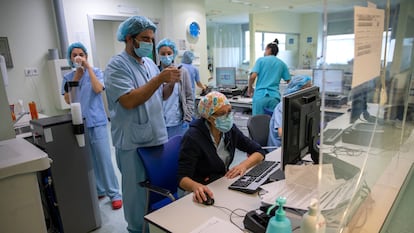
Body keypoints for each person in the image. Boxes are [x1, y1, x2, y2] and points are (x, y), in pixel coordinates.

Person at [103, 16, 181, 233]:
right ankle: (136, 230)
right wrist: (159, 79)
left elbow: (160, 95)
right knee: (137, 196)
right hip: (132, 142)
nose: (149, 43)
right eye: (144, 38)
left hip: (155, 136)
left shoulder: (147, 63)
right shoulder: (117, 65)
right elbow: (128, 100)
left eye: (151, 39)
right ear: (129, 38)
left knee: (155, 190)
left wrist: (171, 83)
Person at [61, 42, 122, 210]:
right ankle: (99, 189)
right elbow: (68, 100)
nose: (78, 57)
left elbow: (98, 89)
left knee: (103, 158)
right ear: (70, 59)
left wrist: (87, 69)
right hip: (80, 122)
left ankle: (115, 193)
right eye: (74, 55)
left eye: (81, 54)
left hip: (98, 122)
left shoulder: (96, 72)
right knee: (89, 160)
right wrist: (76, 78)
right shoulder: (67, 78)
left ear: (87, 56)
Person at [177, 91, 266, 204]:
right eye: (222, 114)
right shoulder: (193, 137)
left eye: (229, 111)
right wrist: (196, 187)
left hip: (220, 182)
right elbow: (182, 178)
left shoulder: (229, 130)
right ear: (209, 118)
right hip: (199, 191)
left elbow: (258, 151)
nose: (228, 117)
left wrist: (243, 165)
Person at [156, 38, 194, 138]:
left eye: (169, 53)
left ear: (174, 53)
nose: (166, 56)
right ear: (158, 54)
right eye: (163, 53)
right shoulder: (154, 72)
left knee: (178, 151)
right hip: (159, 124)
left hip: (178, 122)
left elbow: (189, 96)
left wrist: (187, 117)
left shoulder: (182, 72)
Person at [267, 75, 312, 150]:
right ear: (298, 89)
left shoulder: (302, 105)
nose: (310, 90)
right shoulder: (282, 106)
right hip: (279, 149)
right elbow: (281, 134)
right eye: (307, 87)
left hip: (296, 145)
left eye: (311, 86)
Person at [248, 38, 291, 115]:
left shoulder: (261, 60)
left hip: (260, 96)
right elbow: (289, 81)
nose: (264, 52)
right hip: (274, 97)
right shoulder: (282, 64)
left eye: (265, 50)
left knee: (257, 123)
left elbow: (253, 76)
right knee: (273, 123)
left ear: (269, 49)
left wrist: (250, 88)